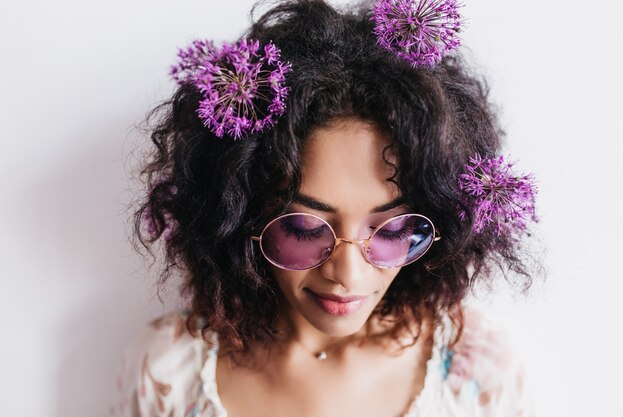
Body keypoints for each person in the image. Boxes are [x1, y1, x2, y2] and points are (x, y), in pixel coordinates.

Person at [113, 0, 539, 416]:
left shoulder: (478, 372)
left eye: (392, 231)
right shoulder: (167, 369)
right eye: (304, 228)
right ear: (243, 217)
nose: (347, 274)